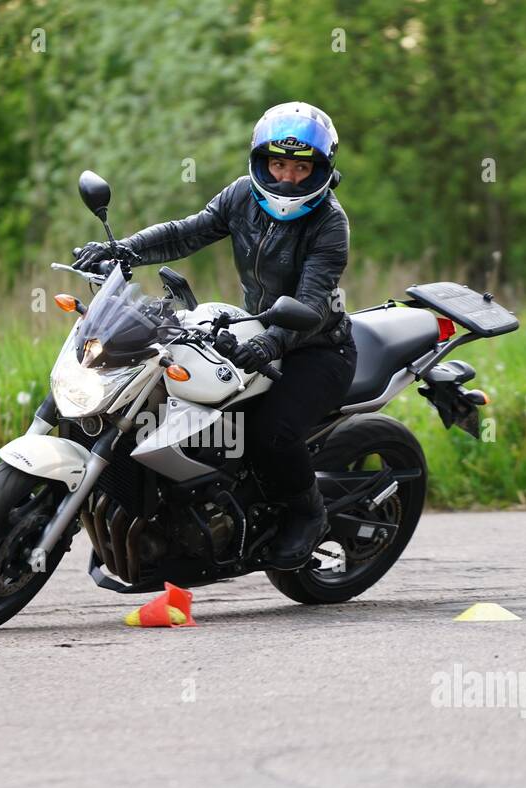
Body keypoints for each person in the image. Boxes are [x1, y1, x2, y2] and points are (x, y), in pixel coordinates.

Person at [72, 102, 356, 570]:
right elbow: (188, 232)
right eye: (278, 164)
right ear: (261, 161)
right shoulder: (243, 195)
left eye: (300, 167)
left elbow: (310, 299)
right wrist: (121, 251)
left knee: (269, 434)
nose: (286, 178)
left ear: (320, 169)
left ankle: (308, 515)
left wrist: (269, 342)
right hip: (259, 329)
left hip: (317, 346)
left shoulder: (329, 221)